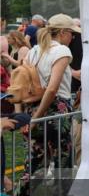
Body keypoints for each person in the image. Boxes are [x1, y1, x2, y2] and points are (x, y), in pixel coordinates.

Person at [28, 14, 80, 172]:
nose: (73, 38)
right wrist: (36, 118)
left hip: (35, 105)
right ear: (63, 32)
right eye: (72, 33)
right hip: (57, 108)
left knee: (35, 159)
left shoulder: (35, 50)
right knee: (63, 159)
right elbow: (52, 89)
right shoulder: (62, 50)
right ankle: (62, 195)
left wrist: (34, 115)